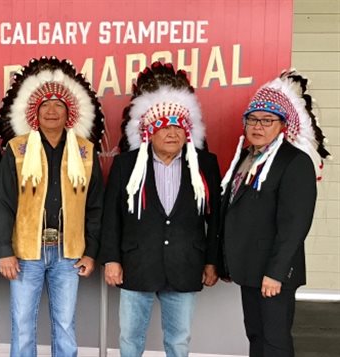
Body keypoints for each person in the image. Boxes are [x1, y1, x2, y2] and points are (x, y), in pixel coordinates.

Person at [98, 62, 221, 357]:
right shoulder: (127, 165)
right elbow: (112, 216)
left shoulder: (205, 164)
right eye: (164, 127)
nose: (171, 133)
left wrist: (211, 261)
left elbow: (215, 219)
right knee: (130, 340)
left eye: (178, 127)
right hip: (137, 264)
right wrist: (112, 260)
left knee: (178, 342)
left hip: (185, 264)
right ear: (149, 132)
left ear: (187, 132)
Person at [0, 57, 105, 357]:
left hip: (69, 253)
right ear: (35, 112)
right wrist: (5, 250)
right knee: (22, 323)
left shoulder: (85, 152)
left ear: (69, 112)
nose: (52, 110)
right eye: (45, 105)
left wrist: (91, 251)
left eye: (58, 105)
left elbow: (95, 207)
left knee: (65, 324)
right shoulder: (17, 149)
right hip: (26, 252)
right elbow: (2, 202)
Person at [219, 70, 330, 357]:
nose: (258, 126)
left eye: (267, 120)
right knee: (256, 335)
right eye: (253, 119)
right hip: (249, 270)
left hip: (273, 273)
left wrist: (276, 273)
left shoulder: (294, 162)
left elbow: (295, 225)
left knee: (275, 341)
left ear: (281, 125)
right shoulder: (246, 158)